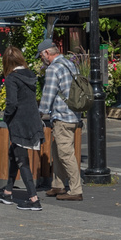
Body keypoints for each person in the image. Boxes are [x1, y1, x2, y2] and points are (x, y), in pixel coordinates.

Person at [37, 40, 84, 200]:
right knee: (57, 150)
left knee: (65, 153)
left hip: (62, 116)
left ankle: (76, 190)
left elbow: (48, 94)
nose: (42, 59)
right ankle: (57, 185)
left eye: (41, 56)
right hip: (73, 114)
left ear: (46, 53)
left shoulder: (53, 68)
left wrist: (40, 113)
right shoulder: (69, 64)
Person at [0, 47, 43, 210]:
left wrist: (6, 118)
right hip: (33, 121)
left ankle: (33, 199)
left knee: (21, 160)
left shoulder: (12, 78)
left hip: (19, 123)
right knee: (14, 153)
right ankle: (8, 192)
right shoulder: (31, 75)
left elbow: (12, 103)